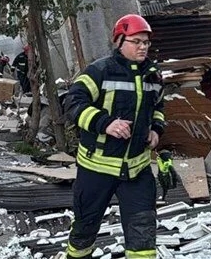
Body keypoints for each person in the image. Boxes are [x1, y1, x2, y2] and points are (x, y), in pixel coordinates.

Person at [63, 14, 166, 259]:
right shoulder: (100, 70)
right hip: (96, 170)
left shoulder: (153, 74)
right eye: (136, 41)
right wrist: (105, 123)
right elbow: (72, 103)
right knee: (84, 231)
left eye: (146, 42)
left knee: (143, 237)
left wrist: (156, 130)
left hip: (137, 171)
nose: (143, 47)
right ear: (119, 41)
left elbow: (159, 108)